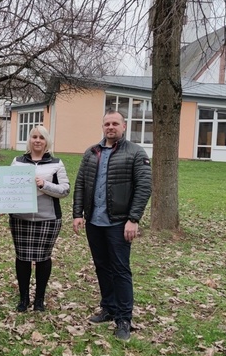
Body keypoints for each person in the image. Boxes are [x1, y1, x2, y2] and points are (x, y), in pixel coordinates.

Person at [72, 109, 152, 341]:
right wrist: (78, 213)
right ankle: (108, 307)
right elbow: (80, 184)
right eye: (107, 123)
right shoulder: (92, 152)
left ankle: (124, 318)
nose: (110, 127)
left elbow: (144, 187)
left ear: (124, 126)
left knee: (120, 270)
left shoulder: (135, 153)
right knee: (101, 267)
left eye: (115, 123)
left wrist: (133, 219)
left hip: (119, 223)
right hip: (94, 222)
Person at [9, 125, 70, 312]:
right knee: (22, 258)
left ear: (46, 141)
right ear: (29, 140)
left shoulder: (57, 163)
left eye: (41, 137)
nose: (37, 140)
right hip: (21, 218)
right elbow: (8, 187)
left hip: (48, 218)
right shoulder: (17, 161)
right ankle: (23, 298)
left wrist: (45, 184)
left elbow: (65, 190)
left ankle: (39, 299)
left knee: (43, 259)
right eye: (34, 137)